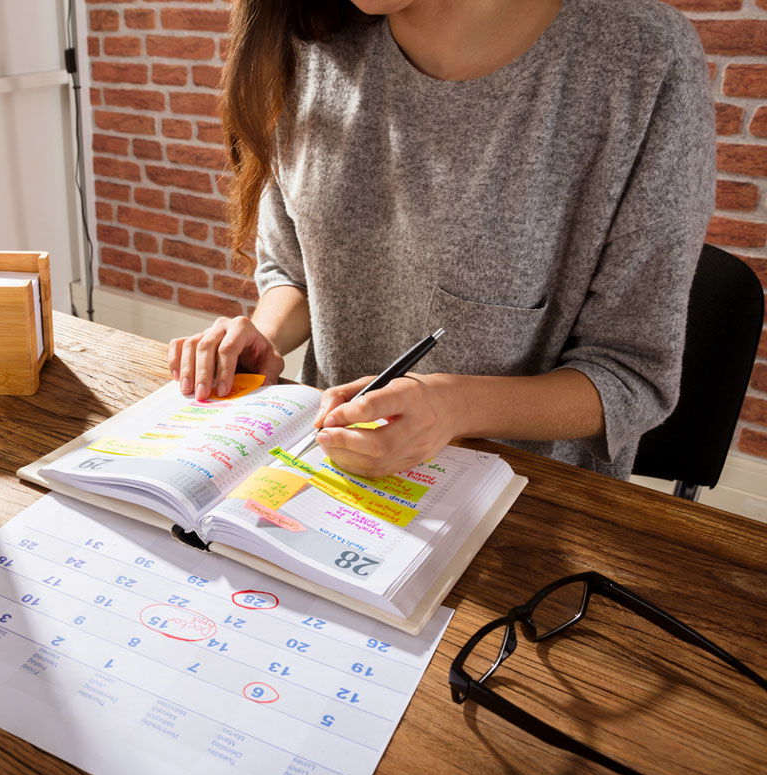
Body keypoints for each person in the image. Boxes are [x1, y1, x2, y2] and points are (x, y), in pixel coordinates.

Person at [167, 0, 715, 479]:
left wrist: (452, 408)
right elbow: (295, 273)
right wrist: (262, 336)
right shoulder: (308, 45)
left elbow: (632, 374)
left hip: (526, 507)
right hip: (326, 473)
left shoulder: (640, 60)